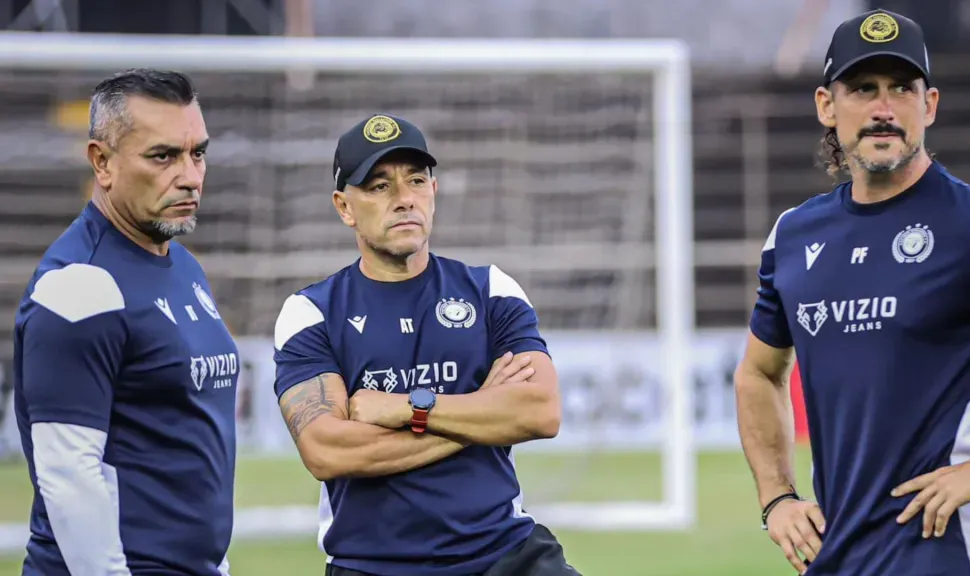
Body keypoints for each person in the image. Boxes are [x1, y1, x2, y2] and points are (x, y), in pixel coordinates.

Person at [735, 8, 970, 576]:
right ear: (826, 106)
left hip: (954, 557)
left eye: (901, 89)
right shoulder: (792, 236)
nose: (883, 109)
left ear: (930, 105)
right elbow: (758, 374)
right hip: (834, 560)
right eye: (863, 89)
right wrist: (777, 498)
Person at [272, 113, 579, 576]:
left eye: (416, 180)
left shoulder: (491, 289)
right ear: (344, 206)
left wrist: (405, 409)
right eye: (379, 186)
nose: (403, 199)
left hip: (505, 555)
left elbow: (540, 412)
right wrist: (481, 412)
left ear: (433, 192)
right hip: (374, 566)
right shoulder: (311, 312)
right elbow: (328, 451)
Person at [12, 69, 237, 576]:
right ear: (102, 162)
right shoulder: (78, 287)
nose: (190, 176)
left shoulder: (183, 266)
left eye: (197, 153)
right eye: (163, 156)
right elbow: (70, 478)